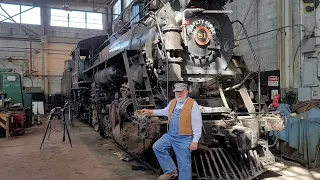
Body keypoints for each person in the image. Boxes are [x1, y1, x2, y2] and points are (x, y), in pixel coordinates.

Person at [141, 83, 203, 180]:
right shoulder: (173, 102)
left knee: (184, 165)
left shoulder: (192, 104)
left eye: (181, 92)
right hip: (170, 135)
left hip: (184, 138)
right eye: (177, 92)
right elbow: (164, 112)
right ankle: (171, 170)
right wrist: (150, 111)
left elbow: (197, 123)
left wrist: (195, 141)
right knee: (158, 147)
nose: (179, 94)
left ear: (186, 92)